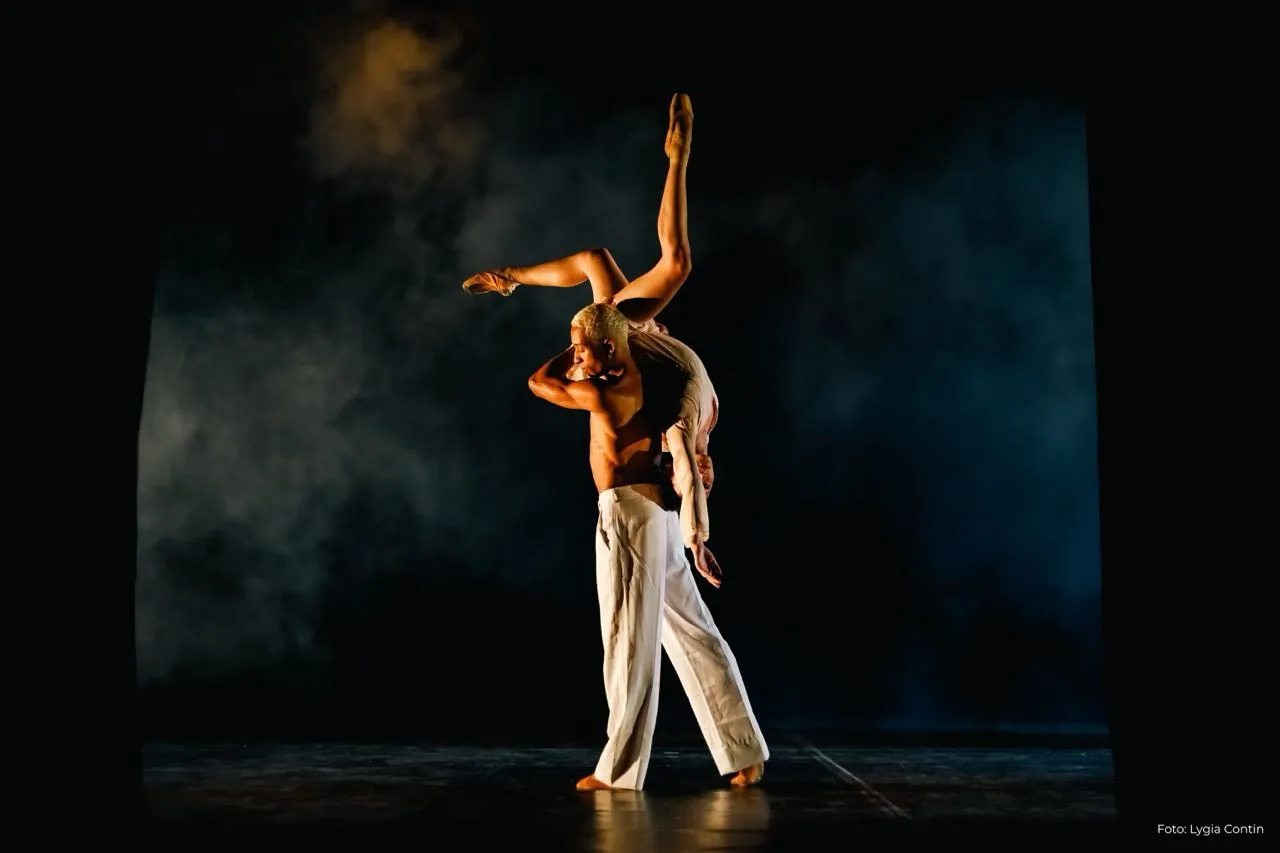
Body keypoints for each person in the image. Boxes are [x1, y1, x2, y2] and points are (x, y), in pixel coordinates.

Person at [463, 93, 720, 572]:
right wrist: (696, 536)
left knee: (600, 259)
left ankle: (508, 277)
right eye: (703, 472)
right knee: (668, 262)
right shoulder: (683, 426)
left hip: (625, 328)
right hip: (624, 329)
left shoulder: (687, 420)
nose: (697, 471)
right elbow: (686, 465)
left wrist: (694, 519)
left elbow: (685, 470)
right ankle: (677, 160)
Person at [527, 301, 767, 791]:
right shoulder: (656, 385)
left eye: (583, 349)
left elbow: (539, 382)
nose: (577, 357)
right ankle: (743, 751)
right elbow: (677, 454)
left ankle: (619, 772)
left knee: (627, 640)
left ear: (613, 346)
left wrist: (577, 342)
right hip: (655, 511)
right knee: (693, 632)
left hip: (629, 515)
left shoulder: (613, 390)